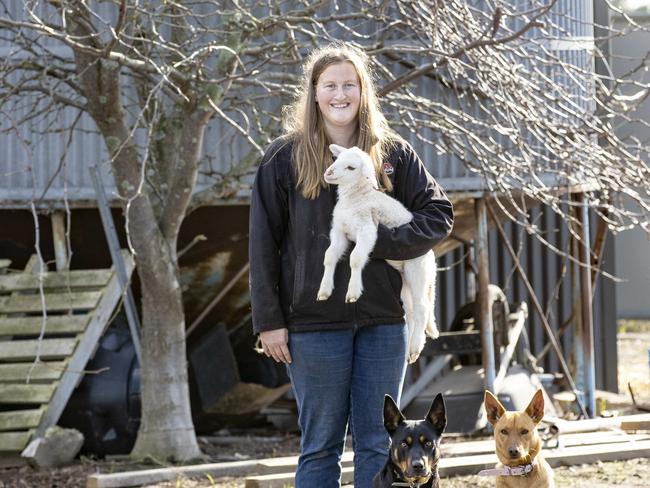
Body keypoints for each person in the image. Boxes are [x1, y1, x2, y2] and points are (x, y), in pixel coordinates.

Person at [249, 42, 454, 488]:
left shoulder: (392, 155)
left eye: (349, 84)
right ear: (315, 93)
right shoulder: (283, 159)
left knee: (378, 447)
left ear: (363, 92)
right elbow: (262, 245)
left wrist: (378, 242)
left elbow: (439, 215)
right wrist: (269, 321)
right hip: (313, 324)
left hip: (382, 321)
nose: (340, 94)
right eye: (330, 85)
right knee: (320, 445)